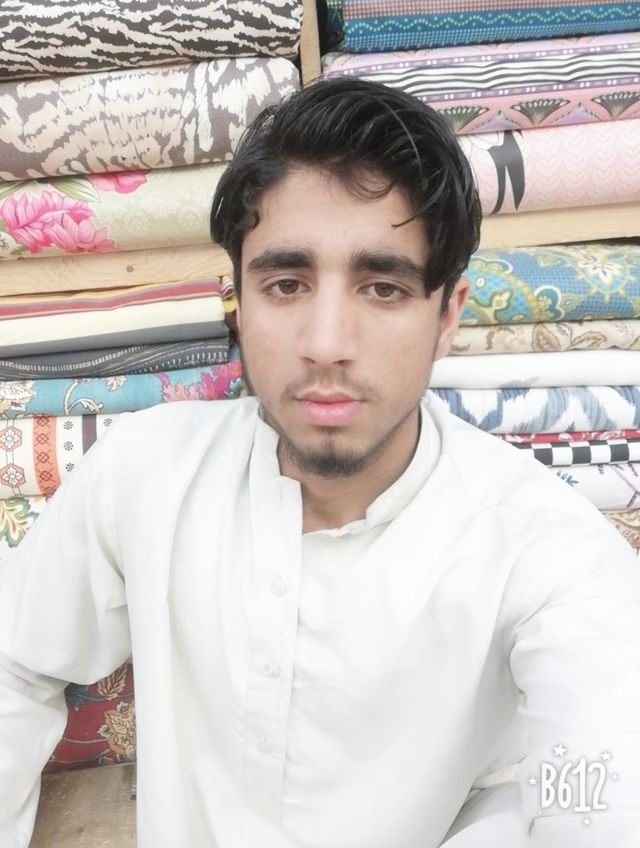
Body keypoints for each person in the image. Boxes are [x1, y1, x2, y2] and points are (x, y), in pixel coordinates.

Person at [1, 78, 639, 848]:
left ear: (448, 314)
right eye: (286, 284)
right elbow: (15, 662)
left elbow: (602, 795)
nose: (327, 343)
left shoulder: (544, 550)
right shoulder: (144, 473)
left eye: (382, 288)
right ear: (236, 301)